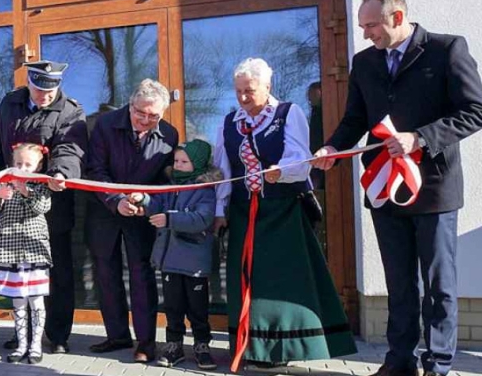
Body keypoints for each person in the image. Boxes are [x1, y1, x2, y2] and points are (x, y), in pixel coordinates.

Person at [311, 0, 482, 376]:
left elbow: (476, 111)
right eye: (362, 26)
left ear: (397, 17)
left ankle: (438, 364)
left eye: (371, 25)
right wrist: (331, 148)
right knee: (399, 282)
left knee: (438, 283)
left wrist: (420, 137)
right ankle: (399, 361)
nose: (366, 34)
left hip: (434, 188)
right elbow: (355, 120)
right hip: (384, 188)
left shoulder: (446, 50)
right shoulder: (363, 63)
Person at [215, 58, 356, 371]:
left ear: (267, 87)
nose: (242, 97)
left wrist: (283, 172)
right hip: (243, 213)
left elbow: (300, 159)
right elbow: (223, 170)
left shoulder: (288, 113)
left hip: (282, 212)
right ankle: (249, 347)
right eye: (238, 91)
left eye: (249, 91)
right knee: (245, 279)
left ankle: (280, 348)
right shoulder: (228, 122)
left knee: (280, 281)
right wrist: (218, 211)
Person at [0, 60, 87, 354]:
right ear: (29, 83)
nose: (45, 96)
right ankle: (24, 336)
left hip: (50, 204)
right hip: (11, 205)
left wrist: (62, 173)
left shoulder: (70, 109)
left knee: (55, 273)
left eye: (51, 89)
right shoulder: (9, 103)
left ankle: (56, 335)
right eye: (40, 89)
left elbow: (71, 148)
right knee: (19, 273)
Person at [85, 79, 179, 363]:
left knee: (142, 277)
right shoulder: (104, 125)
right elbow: (95, 169)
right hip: (105, 210)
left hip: (141, 216)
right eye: (141, 113)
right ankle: (117, 335)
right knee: (105, 274)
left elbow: (164, 180)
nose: (146, 120)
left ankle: (146, 343)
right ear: (130, 105)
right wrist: (116, 201)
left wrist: (145, 204)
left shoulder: (169, 135)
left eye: (154, 116)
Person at [127, 139, 219, 370]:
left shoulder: (205, 190)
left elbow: (202, 219)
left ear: (197, 164)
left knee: (198, 309)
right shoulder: (172, 186)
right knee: (173, 307)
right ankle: (174, 345)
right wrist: (144, 199)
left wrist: (171, 219)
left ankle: (201, 345)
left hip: (194, 263)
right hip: (170, 262)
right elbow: (157, 203)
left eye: (184, 162)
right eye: (176, 160)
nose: (178, 165)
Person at [0, 143, 53, 365]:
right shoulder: (4, 181)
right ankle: (21, 344)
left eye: (28, 164)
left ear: (38, 165)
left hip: (34, 250)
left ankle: (36, 345)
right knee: (18, 301)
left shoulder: (42, 184)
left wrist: (26, 190)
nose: (22, 167)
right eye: (18, 163)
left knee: (36, 300)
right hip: (9, 249)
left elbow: (42, 207)